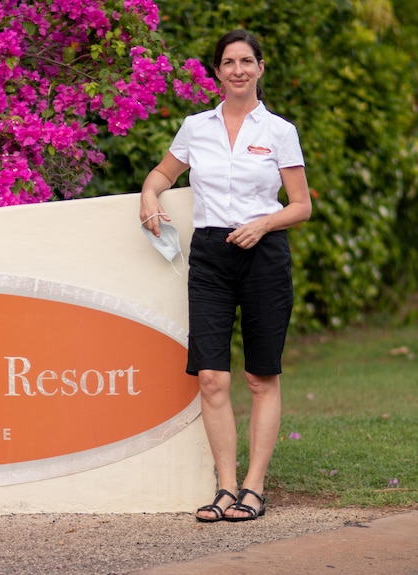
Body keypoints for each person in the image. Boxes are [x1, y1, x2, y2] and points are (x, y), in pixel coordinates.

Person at [139, 30, 312, 522]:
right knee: (212, 378)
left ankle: (254, 488)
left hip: (265, 254)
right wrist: (149, 197)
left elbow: (301, 206)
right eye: (228, 62)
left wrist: (264, 223)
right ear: (217, 72)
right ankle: (225, 487)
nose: (238, 70)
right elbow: (161, 175)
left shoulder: (280, 131)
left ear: (260, 67)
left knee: (260, 376)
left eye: (246, 61)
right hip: (211, 256)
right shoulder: (196, 127)